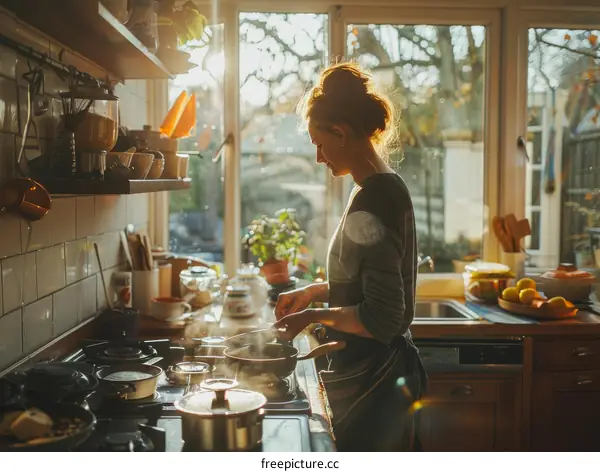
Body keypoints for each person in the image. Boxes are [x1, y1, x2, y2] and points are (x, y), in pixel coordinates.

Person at [273, 62, 428, 452]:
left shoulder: (374, 198)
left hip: (376, 381)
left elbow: (383, 317)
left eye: (319, 144)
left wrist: (310, 316)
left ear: (340, 132)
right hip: (378, 374)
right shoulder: (383, 186)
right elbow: (368, 285)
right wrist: (313, 292)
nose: (319, 157)